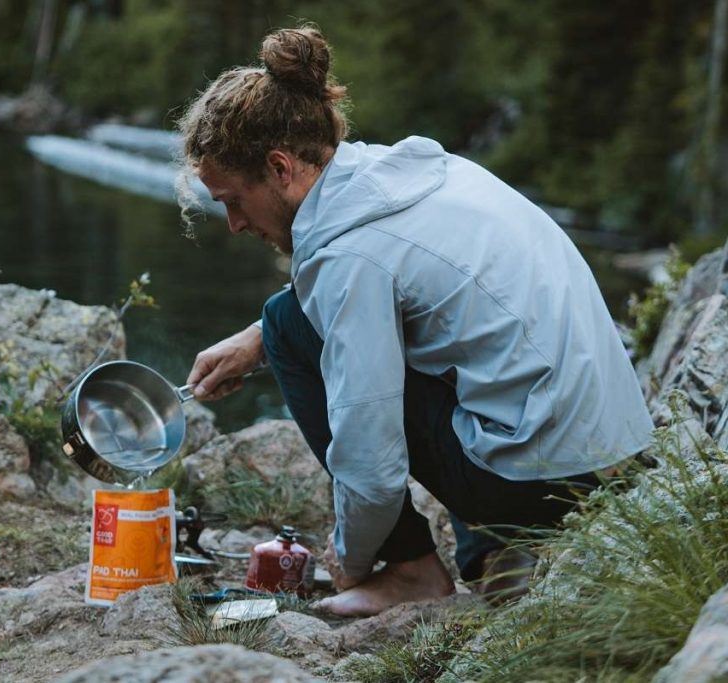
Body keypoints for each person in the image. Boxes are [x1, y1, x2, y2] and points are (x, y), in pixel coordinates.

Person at [178, 26, 654, 617]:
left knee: (287, 326)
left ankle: (412, 573)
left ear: (279, 168)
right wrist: (255, 342)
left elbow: (370, 456)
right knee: (291, 323)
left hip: (548, 482)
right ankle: (499, 549)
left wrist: (354, 560)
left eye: (232, 200)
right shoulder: (412, 174)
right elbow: (378, 279)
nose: (234, 224)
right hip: (614, 453)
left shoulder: (349, 259)